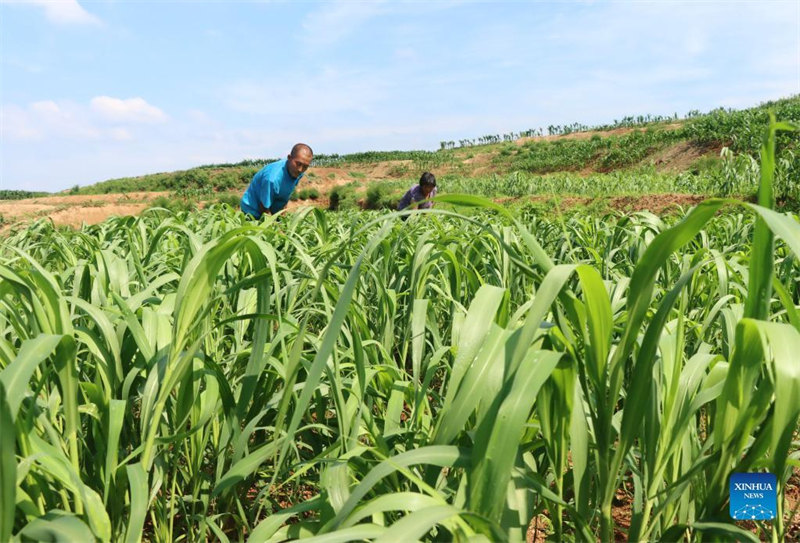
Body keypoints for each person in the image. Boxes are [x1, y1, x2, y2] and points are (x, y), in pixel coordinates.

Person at [240, 143, 313, 219]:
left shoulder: (297, 173)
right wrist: (275, 227)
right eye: (298, 164)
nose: (300, 169)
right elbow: (264, 208)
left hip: (273, 209)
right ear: (289, 158)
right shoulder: (272, 178)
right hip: (253, 211)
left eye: (305, 166)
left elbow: (286, 194)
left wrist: (282, 216)